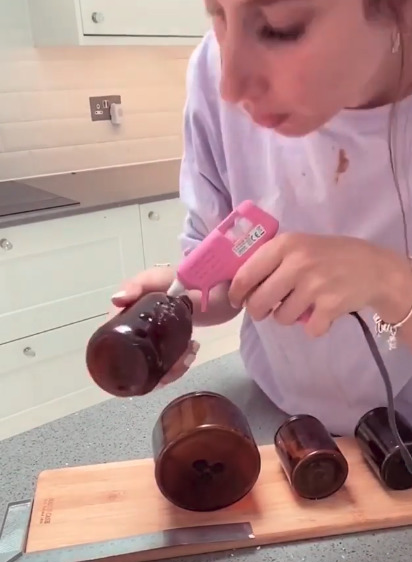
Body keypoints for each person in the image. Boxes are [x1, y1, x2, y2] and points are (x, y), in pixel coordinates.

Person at [110, 0, 412, 436]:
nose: (230, 88)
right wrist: (185, 297)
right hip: (280, 418)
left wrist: (388, 281)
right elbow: (229, 281)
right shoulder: (213, 68)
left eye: (278, 28)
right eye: (216, 13)